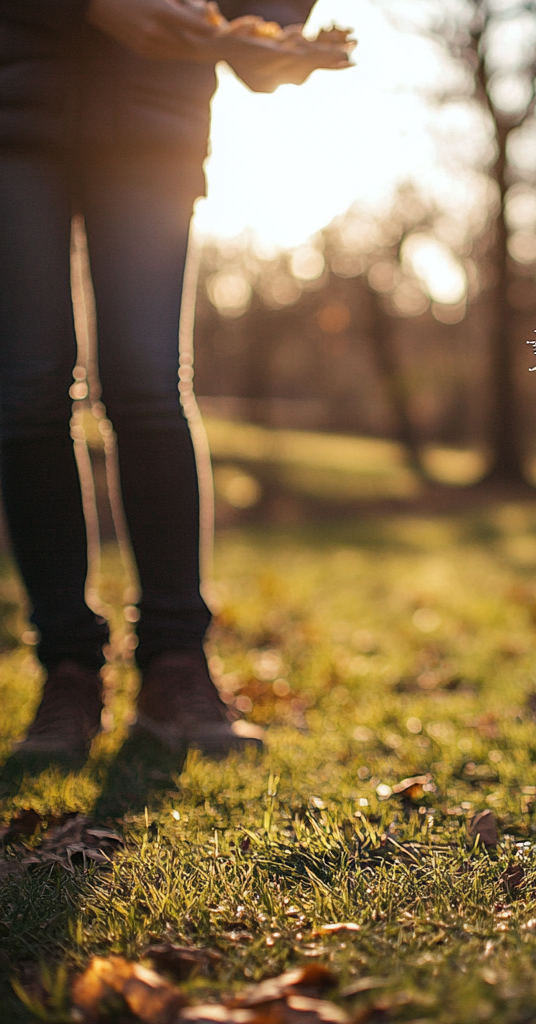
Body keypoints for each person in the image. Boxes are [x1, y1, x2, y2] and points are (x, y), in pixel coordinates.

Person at [0, 0, 352, 759]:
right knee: (26, 391)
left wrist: (267, 26)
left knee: (150, 384)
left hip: (155, 102)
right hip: (13, 88)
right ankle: (66, 668)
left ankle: (173, 662)